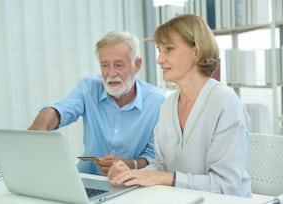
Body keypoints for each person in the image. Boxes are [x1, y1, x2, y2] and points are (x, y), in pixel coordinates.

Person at [108, 14, 252, 197]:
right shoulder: (168, 105)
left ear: (196, 52)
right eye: (159, 50)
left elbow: (225, 185)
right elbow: (160, 166)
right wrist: (130, 174)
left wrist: (162, 178)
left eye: (168, 49)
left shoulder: (225, 102)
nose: (159, 59)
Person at [28, 31, 165, 176]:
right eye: (105, 65)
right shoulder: (89, 87)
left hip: (133, 184)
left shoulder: (157, 101)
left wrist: (129, 164)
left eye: (119, 65)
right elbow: (61, 110)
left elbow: (154, 156)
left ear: (136, 65)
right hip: (89, 179)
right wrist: (39, 129)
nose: (111, 73)